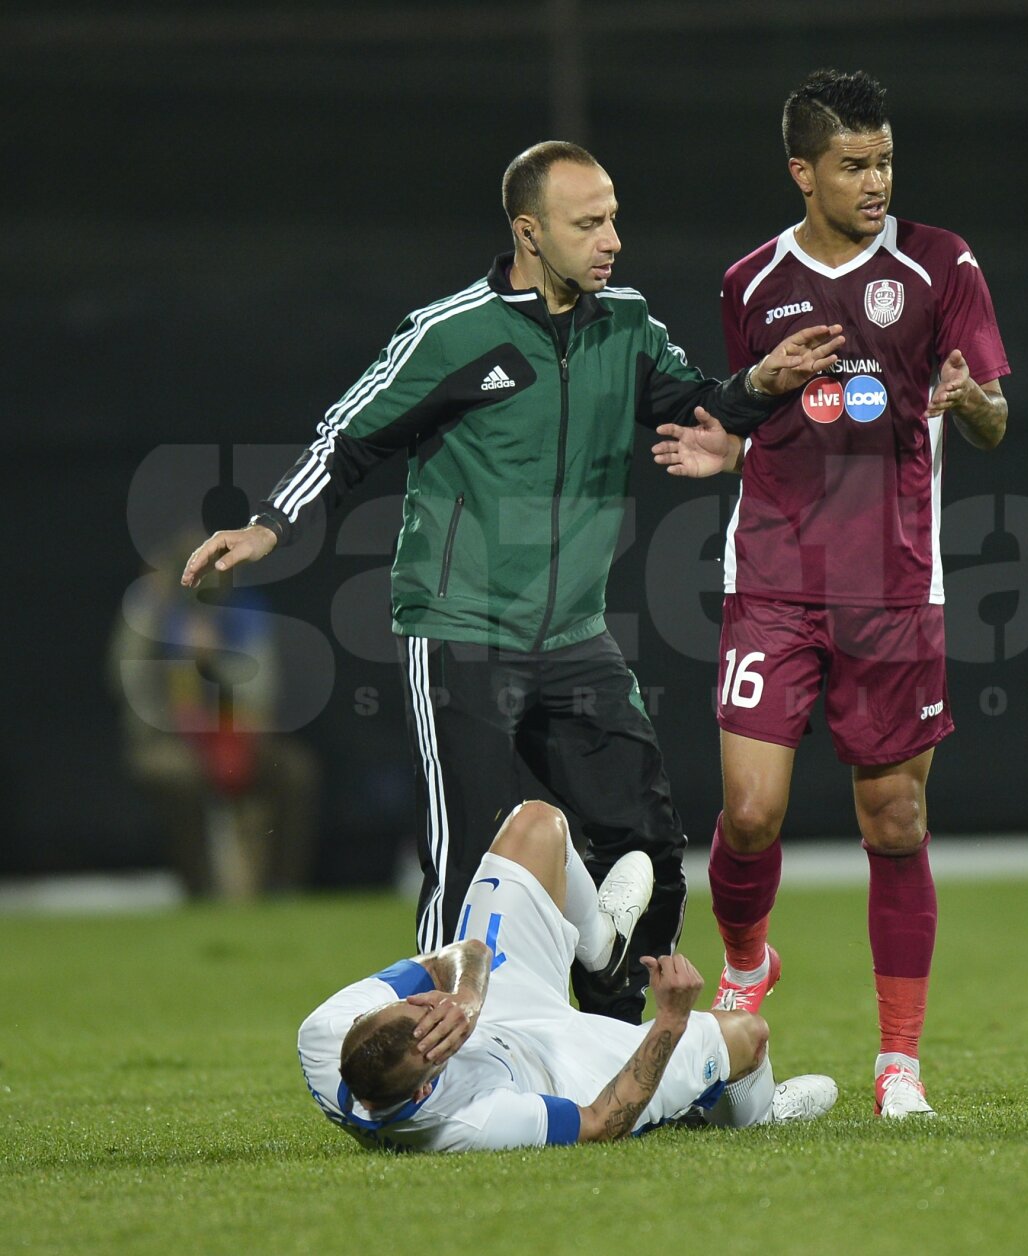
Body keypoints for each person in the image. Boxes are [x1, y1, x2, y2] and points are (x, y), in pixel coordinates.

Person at [182, 140, 843, 1020]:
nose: (611, 238)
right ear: (529, 232)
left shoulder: (628, 325)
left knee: (644, 847)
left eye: (613, 217)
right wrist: (270, 523)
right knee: (472, 861)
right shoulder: (453, 333)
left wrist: (762, 382)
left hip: (576, 638)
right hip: (461, 627)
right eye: (588, 223)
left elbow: (703, 411)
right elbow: (351, 435)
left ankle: (614, 1048)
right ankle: (438, 1059)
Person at [652, 69, 1010, 1117]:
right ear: (802, 170)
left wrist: (971, 399)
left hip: (896, 585)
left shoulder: (942, 264)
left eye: (886, 159)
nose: (875, 180)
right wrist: (729, 442)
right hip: (771, 576)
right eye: (853, 164)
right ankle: (748, 960)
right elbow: (748, 413)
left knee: (893, 818)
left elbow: (990, 421)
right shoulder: (752, 283)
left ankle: (899, 1063)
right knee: (753, 813)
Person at [298, 799, 838, 1153]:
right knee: (746, 1033)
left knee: (536, 823)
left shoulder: (325, 1036)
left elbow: (457, 955)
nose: (427, 1003)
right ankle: (760, 1115)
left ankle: (599, 945)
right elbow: (601, 1120)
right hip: (560, 1070)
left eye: (416, 1005)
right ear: (423, 1093)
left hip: (496, 1007)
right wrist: (669, 1021)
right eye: (434, 1030)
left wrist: (462, 995)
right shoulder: (469, 1124)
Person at [110, 530, 319, 898]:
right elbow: (125, 682)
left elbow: (263, 692)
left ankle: (280, 890)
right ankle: (200, 890)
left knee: (295, 772)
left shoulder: (244, 612)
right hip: (170, 737)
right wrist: (155, 621)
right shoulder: (150, 611)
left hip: (239, 734)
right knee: (179, 776)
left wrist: (217, 658)